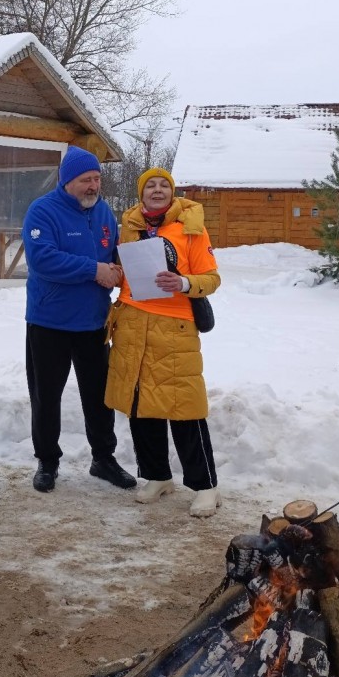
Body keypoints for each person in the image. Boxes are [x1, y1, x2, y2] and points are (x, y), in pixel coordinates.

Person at [105, 168, 222, 518]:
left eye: (164, 186)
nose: (157, 190)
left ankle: (206, 486)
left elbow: (211, 278)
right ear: (141, 194)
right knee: (141, 405)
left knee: (184, 408)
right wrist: (115, 274)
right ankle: (157, 476)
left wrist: (183, 283)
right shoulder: (129, 226)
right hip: (132, 323)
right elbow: (124, 272)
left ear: (172, 193)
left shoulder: (191, 226)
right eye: (150, 186)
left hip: (174, 326)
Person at [22, 145, 134, 494]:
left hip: (93, 322)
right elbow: (43, 260)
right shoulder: (42, 211)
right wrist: (94, 270)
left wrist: (121, 269)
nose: (93, 185)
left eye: (97, 178)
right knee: (46, 396)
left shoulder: (103, 212)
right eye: (86, 179)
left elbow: (114, 253)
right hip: (49, 322)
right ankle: (47, 461)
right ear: (67, 180)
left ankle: (103, 458)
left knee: (99, 396)